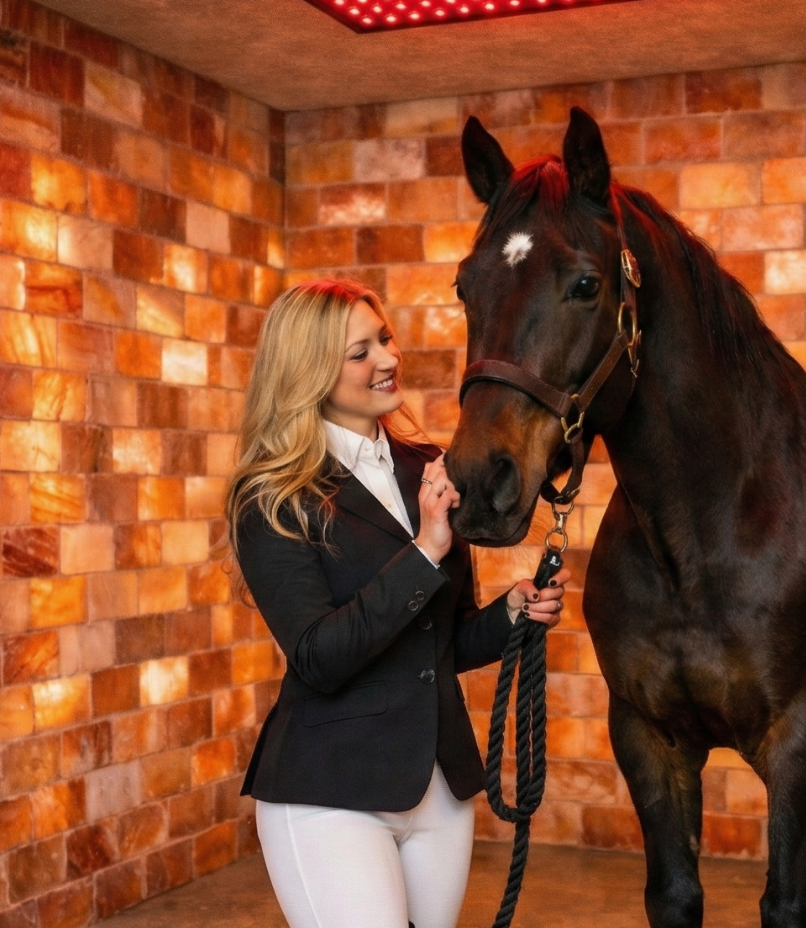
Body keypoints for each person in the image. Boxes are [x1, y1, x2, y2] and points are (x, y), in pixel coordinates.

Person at [228, 279, 569, 928]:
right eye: (359, 352)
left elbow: (445, 640)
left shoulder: (429, 469)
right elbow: (318, 657)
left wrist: (511, 615)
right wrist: (423, 551)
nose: (386, 360)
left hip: (438, 786)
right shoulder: (272, 496)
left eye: (384, 339)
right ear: (309, 370)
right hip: (328, 788)